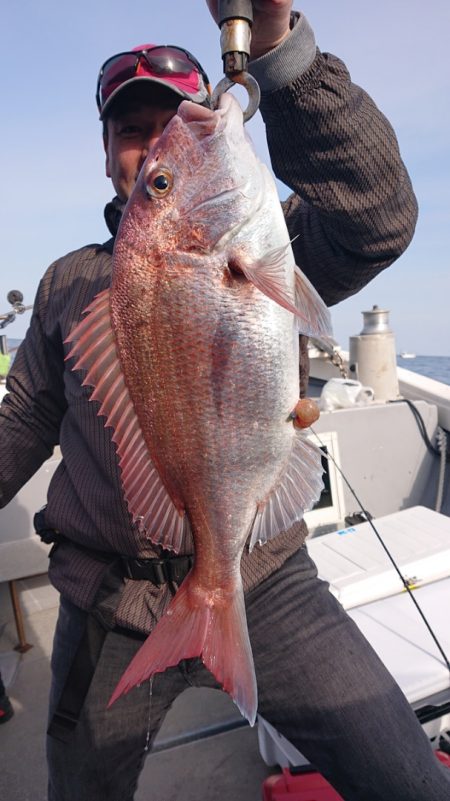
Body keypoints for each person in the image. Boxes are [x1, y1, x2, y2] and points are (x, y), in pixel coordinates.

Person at [0, 1, 449, 799]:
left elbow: (377, 217)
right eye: (133, 131)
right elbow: (26, 416)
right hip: (107, 599)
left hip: (265, 575)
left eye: (174, 117)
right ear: (107, 153)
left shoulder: (271, 242)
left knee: (411, 782)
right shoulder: (67, 284)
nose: (153, 143)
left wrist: (276, 46)